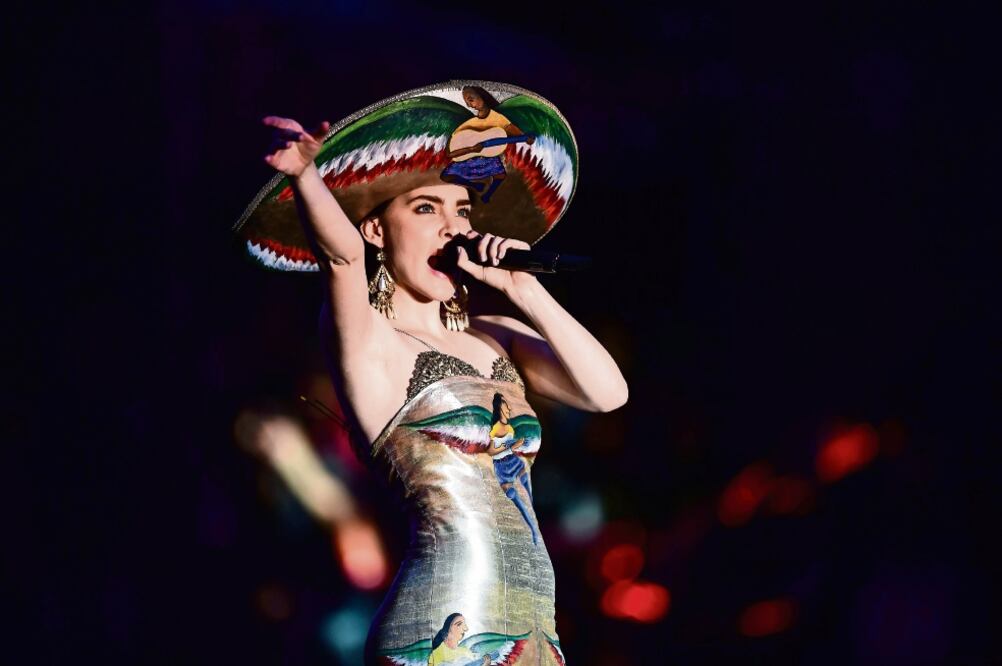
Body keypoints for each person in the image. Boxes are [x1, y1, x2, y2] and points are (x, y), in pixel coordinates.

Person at [254, 82, 626, 664]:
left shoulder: (497, 332)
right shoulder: (371, 340)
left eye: (462, 210)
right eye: (425, 208)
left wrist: (523, 289)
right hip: (443, 622)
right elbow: (343, 258)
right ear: (377, 230)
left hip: (537, 630)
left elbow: (608, 394)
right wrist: (307, 177)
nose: (452, 227)